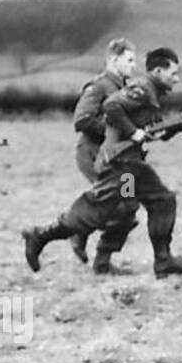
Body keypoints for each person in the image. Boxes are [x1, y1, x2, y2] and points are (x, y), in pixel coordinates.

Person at [22, 47, 182, 278]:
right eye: (173, 73)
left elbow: (158, 131)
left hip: (133, 166)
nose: (177, 79)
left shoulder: (152, 94)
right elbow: (110, 107)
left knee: (155, 202)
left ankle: (152, 261)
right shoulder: (141, 89)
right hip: (119, 164)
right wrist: (132, 131)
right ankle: (40, 236)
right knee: (95, 211)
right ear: (158, 71)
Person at [65, 37, 138, 267]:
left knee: (130, 205)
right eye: (129, 60)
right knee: (116, 203)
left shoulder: (127, 90)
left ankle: (102, 261)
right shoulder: (98, 86)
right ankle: (79, 231)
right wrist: (117, 129)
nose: (134, 65)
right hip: (94, 155)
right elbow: (82, 120)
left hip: (121, 158)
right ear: (114, 60)